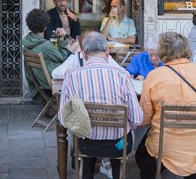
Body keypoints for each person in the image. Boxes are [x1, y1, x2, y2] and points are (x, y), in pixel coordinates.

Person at [135, 32, 196, 179]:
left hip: (165, 144)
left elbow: (145, 118)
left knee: (141, 155)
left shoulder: (155, 76)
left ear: (162, 51)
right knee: (191, 153)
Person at [58, 31, 143, 179]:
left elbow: (63, 119)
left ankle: (86, 173)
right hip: (119, 145)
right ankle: (115, 172)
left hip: (85, 143)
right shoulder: (122, 75)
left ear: (83, 53)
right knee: (123, 138)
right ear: (107, 52)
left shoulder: (71, 77)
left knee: (85, 138)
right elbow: (137, 119)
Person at [23, 8, 70, 100]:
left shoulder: (27, 44)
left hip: (39, 84)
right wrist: (61, 40)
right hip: (51, 84)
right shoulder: (45, 46)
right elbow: (64, 58)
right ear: (45, 27)